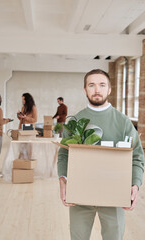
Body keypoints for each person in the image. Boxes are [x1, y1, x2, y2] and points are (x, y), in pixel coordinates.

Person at [57, 69, 144, 240]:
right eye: (92, 85)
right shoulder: (75, 121)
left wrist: (135, 185)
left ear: (109, 89)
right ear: (85, 90)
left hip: (114, 196)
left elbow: (137, 156)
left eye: (102, 85)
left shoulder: (123, 122)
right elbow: (64, 154)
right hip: (80, 197)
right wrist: (63, 180)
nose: (97, 90)